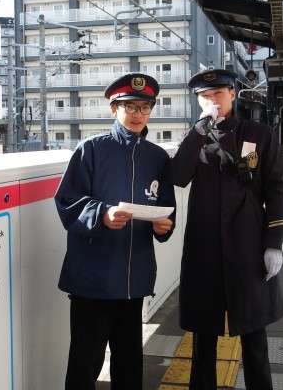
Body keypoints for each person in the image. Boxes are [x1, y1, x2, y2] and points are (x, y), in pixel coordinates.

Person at [169, 68, 283, 390]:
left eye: (218, 94)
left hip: (248, 242)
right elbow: (178, 176)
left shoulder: (260, 134)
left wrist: (274, 242)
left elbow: (277, 189)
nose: (212, 101)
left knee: (253, 330)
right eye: (205, 97)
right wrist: (199, 131)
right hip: (204, 245)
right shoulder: (194, 137)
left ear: (232, 94)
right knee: (203, 333)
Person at [54, 73, 176, 390]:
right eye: (130, 107)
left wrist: (163, 226)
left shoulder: (158, 157)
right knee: (85, 363)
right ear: (114, 108)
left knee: (129, 363)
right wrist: (102, 214)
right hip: (92, 279)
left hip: (134, 280)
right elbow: (66, 201)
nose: (138, 114)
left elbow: (166, 208)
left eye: (145, 107)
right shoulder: (90, 150)